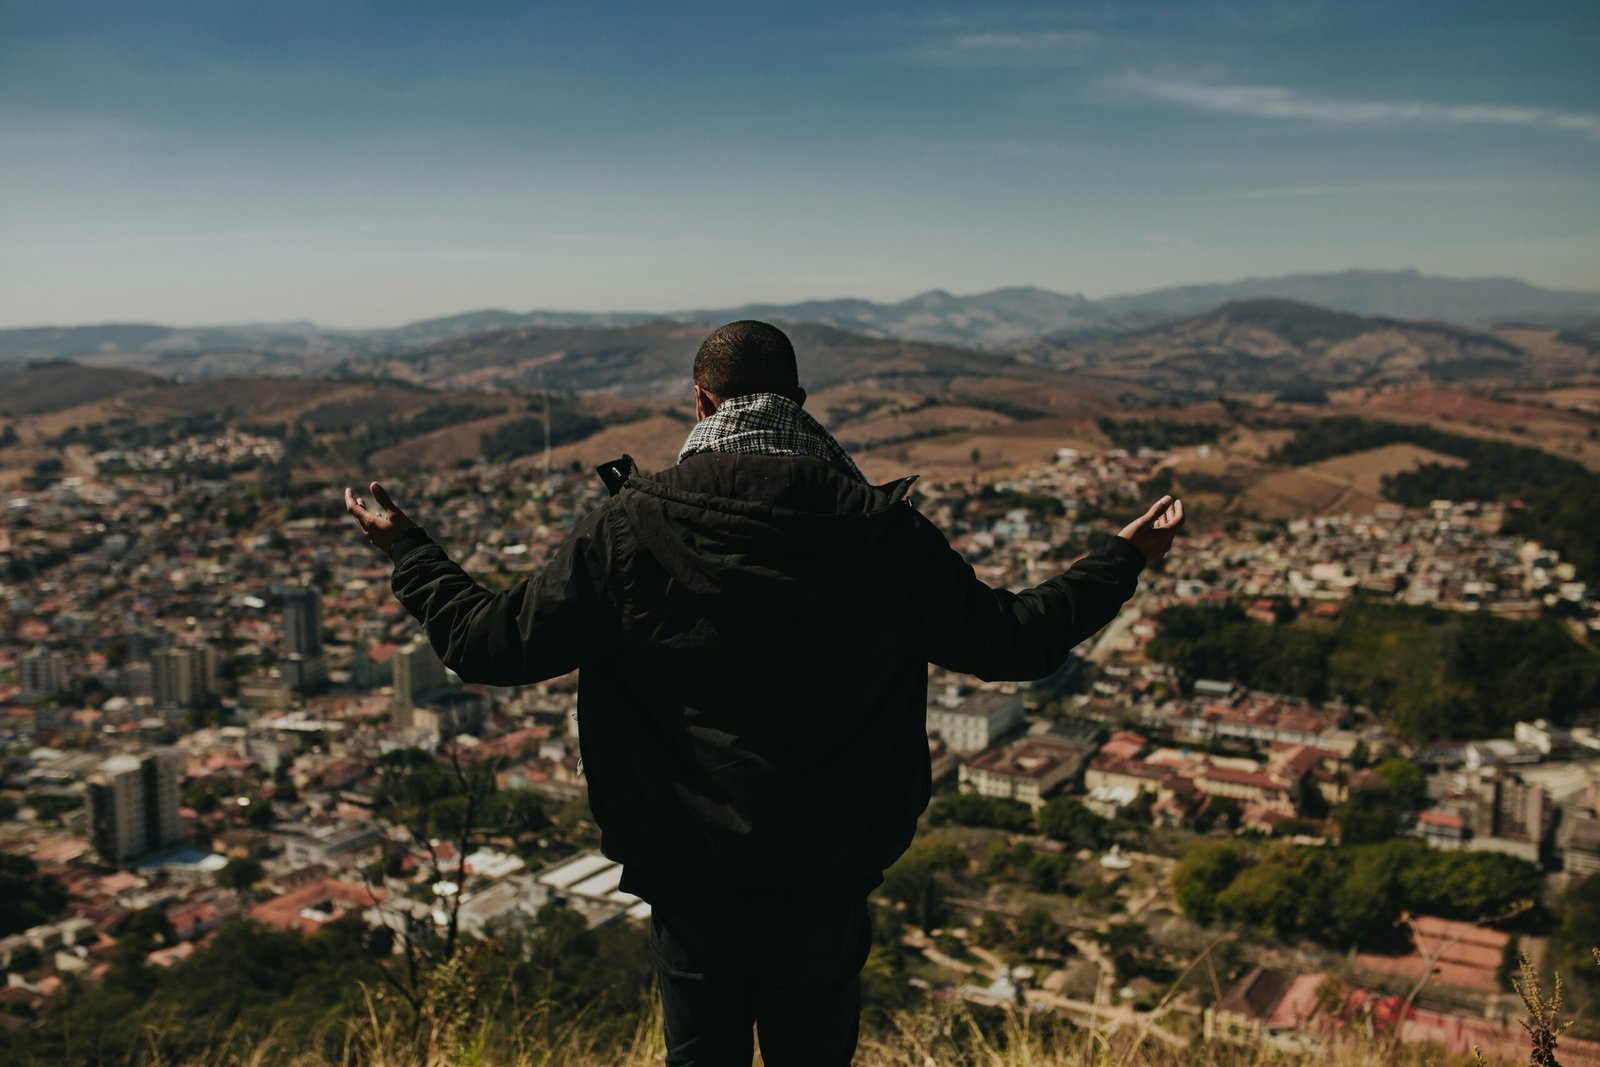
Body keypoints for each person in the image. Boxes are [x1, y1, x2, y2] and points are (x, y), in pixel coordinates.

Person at [343, 320, 1184, 1067]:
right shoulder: (880, 534)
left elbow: (490, 644)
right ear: (800, 401)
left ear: (702, 402)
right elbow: (1016, 640)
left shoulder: (632, 529)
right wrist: (1123, 558)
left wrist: (411, 551)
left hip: (689, 875)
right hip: (829, 874)